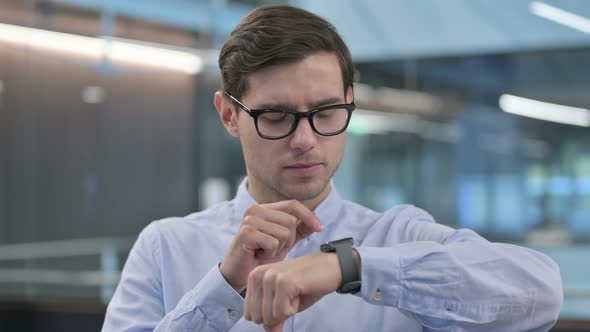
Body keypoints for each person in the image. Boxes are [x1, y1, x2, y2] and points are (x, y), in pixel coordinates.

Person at [102, 4, 563, 332]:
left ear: (349, 104)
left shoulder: (395, 237)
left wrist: (349, 268)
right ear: (229, 115)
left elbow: (538, 292)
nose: (306, 139)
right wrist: (223, 288)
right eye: (276, 116)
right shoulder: (166, 246)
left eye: (326, 113)